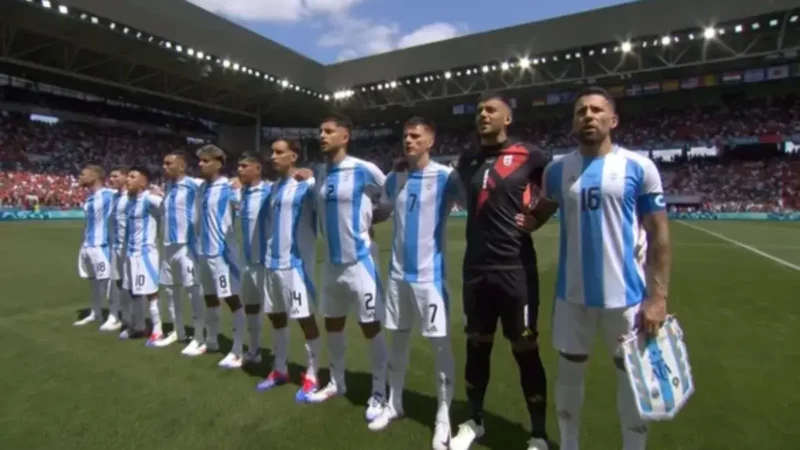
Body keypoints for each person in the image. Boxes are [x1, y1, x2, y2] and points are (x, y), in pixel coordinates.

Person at [518, 86, 671, 450]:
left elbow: (659, 234)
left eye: (597, 110)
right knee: (569, 372)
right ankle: (569, 444)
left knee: (630, 376)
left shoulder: (638, 167)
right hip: (572, 296)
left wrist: (658, 298)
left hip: (627, 298)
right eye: (581, 111)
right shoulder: (557, 171)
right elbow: (543, 210)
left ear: (613, 120)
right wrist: (527, 219)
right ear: (573, 121)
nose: (588, 115)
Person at [450, 92, 550, 450]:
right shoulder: (467, 160)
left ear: (507, 118)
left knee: (525, 347)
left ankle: (537, 434)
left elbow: (557, 187)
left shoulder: (531, 155)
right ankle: (474, 421)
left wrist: (539, 216)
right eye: (479, 110)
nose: (483, 115)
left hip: (515, 269)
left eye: (491, 110)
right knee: (477, 345)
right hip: (476, 270)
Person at [366, 117, 460, 450]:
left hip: (429, 278)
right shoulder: (395, 178)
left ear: (430, 142)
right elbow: (383, 209)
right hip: (397, 277)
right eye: (405, 135)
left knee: (440, 346)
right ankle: (395, 403)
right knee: (398, 342)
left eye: (416, 136)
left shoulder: (447, 177)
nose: (408, 140)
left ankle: (443, 416)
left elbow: (475, 202)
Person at [305, 114, 389, 425]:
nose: (322, 136)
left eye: (329, 131)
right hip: (331, 264)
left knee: (370, 326)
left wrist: (369, 221)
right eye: (320, 131)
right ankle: (337, 382)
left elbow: (389, 198)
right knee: (333, 324)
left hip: (360, 261)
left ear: (345, 136)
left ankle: (379, 391)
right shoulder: (319, 172)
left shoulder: (365, 169)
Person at [256, 138, 322, 402]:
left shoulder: (307, 186)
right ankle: (280, 369)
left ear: (293, 156)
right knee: (276, 317)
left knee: (305, 319)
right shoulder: (274, 188)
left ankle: (313, 374)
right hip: (272, 262)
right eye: (272, 152)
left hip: (296, 265)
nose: (273, 157)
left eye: (279, 152)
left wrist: (314, 176)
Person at [194, 144, 246, 369]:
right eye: (200, 160)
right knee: (209, 296)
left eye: (205, 161)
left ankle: (238, 349)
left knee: (232, 299)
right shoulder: (202, 188)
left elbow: (244, 205)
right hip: (203, 252)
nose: (200, 164)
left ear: (218, 163)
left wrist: (241, 188)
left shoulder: (229, 187)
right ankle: (212, 340)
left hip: (222, 254)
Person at [155, 152, 206, 352]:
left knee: (193, 291)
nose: (164, 166)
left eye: (169, 163)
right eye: (163, 163)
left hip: (187, 246)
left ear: (182, 166)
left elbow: (220, 185)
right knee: (170, 290)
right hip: (168, 246)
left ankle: (199, 336)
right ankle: (178, 331)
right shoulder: (168, 187)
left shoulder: (195, 184)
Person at [234, 152, 271, 366]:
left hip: (267, 263)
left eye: (244, 166)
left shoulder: (270, 191)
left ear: (257, 169)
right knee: (250, 307)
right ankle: (254, 350)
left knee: (276, 313)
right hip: (247, 262)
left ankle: (280, 360)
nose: (239, 170)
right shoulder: (242, 192)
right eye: (239, 166)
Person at [120, 166, 164, 345]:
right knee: (133, 291)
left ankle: (158, 330)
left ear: (143, 182)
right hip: (131, 254)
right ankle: (139, 327)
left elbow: (170, 207)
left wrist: (161, 194)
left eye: (132, 177)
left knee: (151, 293)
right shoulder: (130, 201)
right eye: (128, 176)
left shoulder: (149, 199)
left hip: (146, 255)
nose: (127, 179)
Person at [73, 165, 115, 328]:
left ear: (94, 177)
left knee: (107, 282)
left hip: (101, 246)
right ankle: (95, 312)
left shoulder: (109, 194)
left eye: (83, 174)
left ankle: (113, 316)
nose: (80, 177)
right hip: (87, 246)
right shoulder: (89, 197)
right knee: (93, 282)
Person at [103, 166, 129, 332]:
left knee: (128, 284)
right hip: (115, 246)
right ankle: (114, 315)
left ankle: (128, 317)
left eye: (115, 176)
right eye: (110, 176)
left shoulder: (131, 197)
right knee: (115, 283)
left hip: (128, 248)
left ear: (126, 177)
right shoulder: (113, 196)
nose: (111, 179)